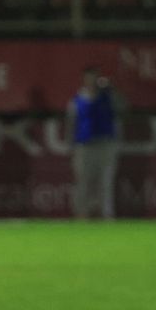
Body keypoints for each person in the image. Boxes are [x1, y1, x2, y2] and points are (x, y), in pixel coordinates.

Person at [66, 65, 124, 219]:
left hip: (106, 144)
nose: (92, 81)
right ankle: (82, 215)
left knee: (106, 182)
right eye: (89, 77)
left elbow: (122, 108)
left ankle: (106, 215)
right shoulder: (77, 100)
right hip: (84, 145)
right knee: (83, 182)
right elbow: (71, 124)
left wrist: (113, 90)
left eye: (94, 77)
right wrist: (70, 145)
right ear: (84, 79)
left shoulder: (108, 97)